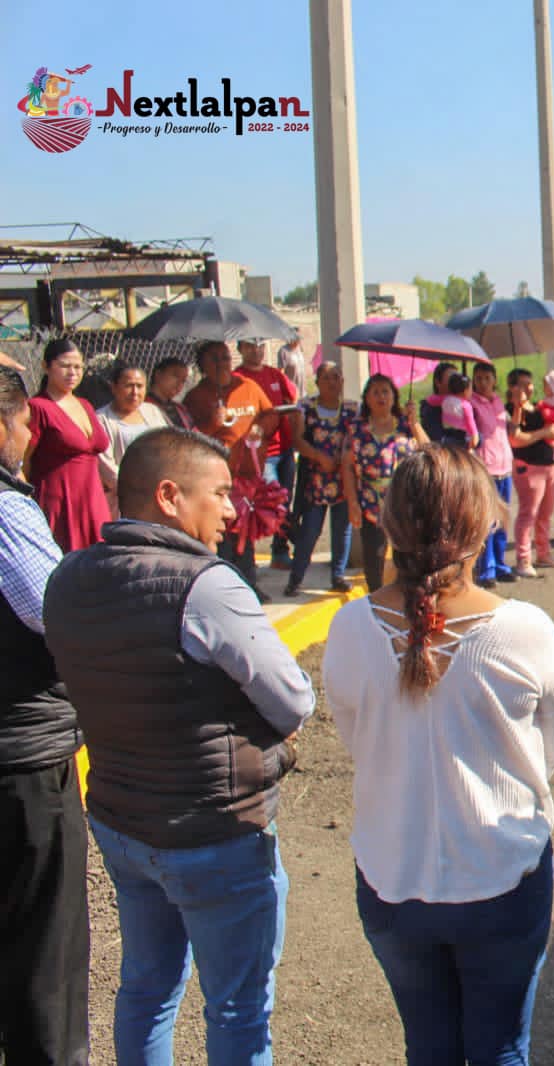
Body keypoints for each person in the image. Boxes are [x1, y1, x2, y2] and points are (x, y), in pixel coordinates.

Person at [43, 426, 317, 1066]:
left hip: (121, 822)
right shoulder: (208, 586)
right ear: (169, 495)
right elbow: (295, 700)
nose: (230, 509)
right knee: (237, 1006)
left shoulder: (68, 576)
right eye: (220, 494)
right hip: (213, 832)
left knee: (146, 987)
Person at [325, 444, 554, 1066]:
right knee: (500, 1048)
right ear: (482, 525)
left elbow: (354, 736)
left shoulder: (350, 627)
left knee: (428, 1047)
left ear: (390, 523)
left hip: (390, 877)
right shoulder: (525, 628)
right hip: (502, 873)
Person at [0, 365, 89, 1066]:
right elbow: (55, 612)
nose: (31, 436)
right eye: (25, 422)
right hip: (21, 760)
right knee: (44, 953)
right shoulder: (7, 510)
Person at [185, 340, 279, 599]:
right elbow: (190, 437)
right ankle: (227, 587)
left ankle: (249, 583)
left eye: (225, 358)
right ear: (203, 366)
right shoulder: (196, 397)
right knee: (223, 535)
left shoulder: (248, 386)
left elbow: (271, 414)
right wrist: (213, 424)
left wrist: (261, 426)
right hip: (216, 479)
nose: (223, 364)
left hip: (247, 476)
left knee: (245, 535)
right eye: (215, 359)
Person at [25, 338, 111, 552]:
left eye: (78, 366)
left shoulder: (85, 405)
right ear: (46, 367)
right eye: (64, 366)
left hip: (92, 499)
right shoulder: (38, 407)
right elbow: (23, 458)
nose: (72, 372)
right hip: (59, 502)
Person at [344, 374, 428, 592]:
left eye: (386, 391)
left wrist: (414, 422)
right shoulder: (357, 430)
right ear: (367, 399)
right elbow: (347, 467)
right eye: (376, 392)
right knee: (374, 557)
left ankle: (408, 598)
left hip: (404, 502)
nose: (381, 396)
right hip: (370, 503)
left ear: (394, 396)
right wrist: (352, 502)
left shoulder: (405, 425)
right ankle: (376, 600)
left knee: (408, 555)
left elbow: (429, 450)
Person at [285, 361, 357, 597]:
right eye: (326, 377)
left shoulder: (351, 410)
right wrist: (318, 456)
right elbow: (298, 440)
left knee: (341, 530)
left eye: (336, 377)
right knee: (310, 530)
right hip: (315, 481)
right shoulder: (305, 408)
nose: (331, 382)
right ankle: (296, 578)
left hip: (342, 480)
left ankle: (338, 575)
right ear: (317, 382)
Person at [235, 339, 300, 571]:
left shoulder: (275, 375)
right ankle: (299, 538)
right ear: (240, 349)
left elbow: (293, 400)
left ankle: (281, 552)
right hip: (261, 456)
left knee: (285, 500)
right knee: (271, 505)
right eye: (250, 346)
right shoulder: (238, 378)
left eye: (261, 345)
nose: (257, 350)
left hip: (284, 449)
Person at [507, 368, 554, 578]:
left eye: (529, 383)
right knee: (528, 514)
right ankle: (523, 558)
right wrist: (545, 432)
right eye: (521, 384)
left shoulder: (540, 406)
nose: (527, 388)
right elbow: (516, 439)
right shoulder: (511, 410)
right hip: (529, 467)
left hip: (551, 465)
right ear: (512, 387)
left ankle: (543, 553)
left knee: (545, 514)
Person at [97, 361, 169, 518]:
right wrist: (136, 489)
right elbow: (106, 466)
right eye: (129, 385)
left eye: (140, 386)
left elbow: (167, 447)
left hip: (157, 492)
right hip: (123, 498)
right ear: (114, 388)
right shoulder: (101, 420)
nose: (135, 392)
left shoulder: (152, 412)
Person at [469, 363, 516, 587]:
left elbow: (511, 428)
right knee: (487, 521)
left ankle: (501, 564)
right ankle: (486, 570)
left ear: (495, 379)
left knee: (503, 520)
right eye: (478, 378)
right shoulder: (472, 403)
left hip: (504, 464)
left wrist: (517, 404)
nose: (483, 382)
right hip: (486, 466)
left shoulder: (498, 402)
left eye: (487, 378)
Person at [426, 372, 479, 449]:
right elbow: (471, 425)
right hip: (461, 438)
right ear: (465, 391)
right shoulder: (466, 405)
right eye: (471, 389)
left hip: (446, 436)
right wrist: (475, 439)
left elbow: (429, 400)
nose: (472, 392)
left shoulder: (444, 399)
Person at [147, 356, 196, 431]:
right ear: (158, 374)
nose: (179, 383)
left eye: (183, 380)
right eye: (176, 376)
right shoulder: (143, 405)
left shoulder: (180, 409)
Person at [417, 363, 454, 444]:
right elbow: (436, 439)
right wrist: (463, 442)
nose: (455, 382)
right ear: (438, 382)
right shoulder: (431, 408)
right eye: (451, 378)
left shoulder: (462, 404)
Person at [276, 333, 307, 400]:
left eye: (299, 339)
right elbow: (280, 373)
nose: (298, 342)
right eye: (296, 339)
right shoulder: (283, 351)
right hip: (292, 392)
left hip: (303, 392)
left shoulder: (299, 348)